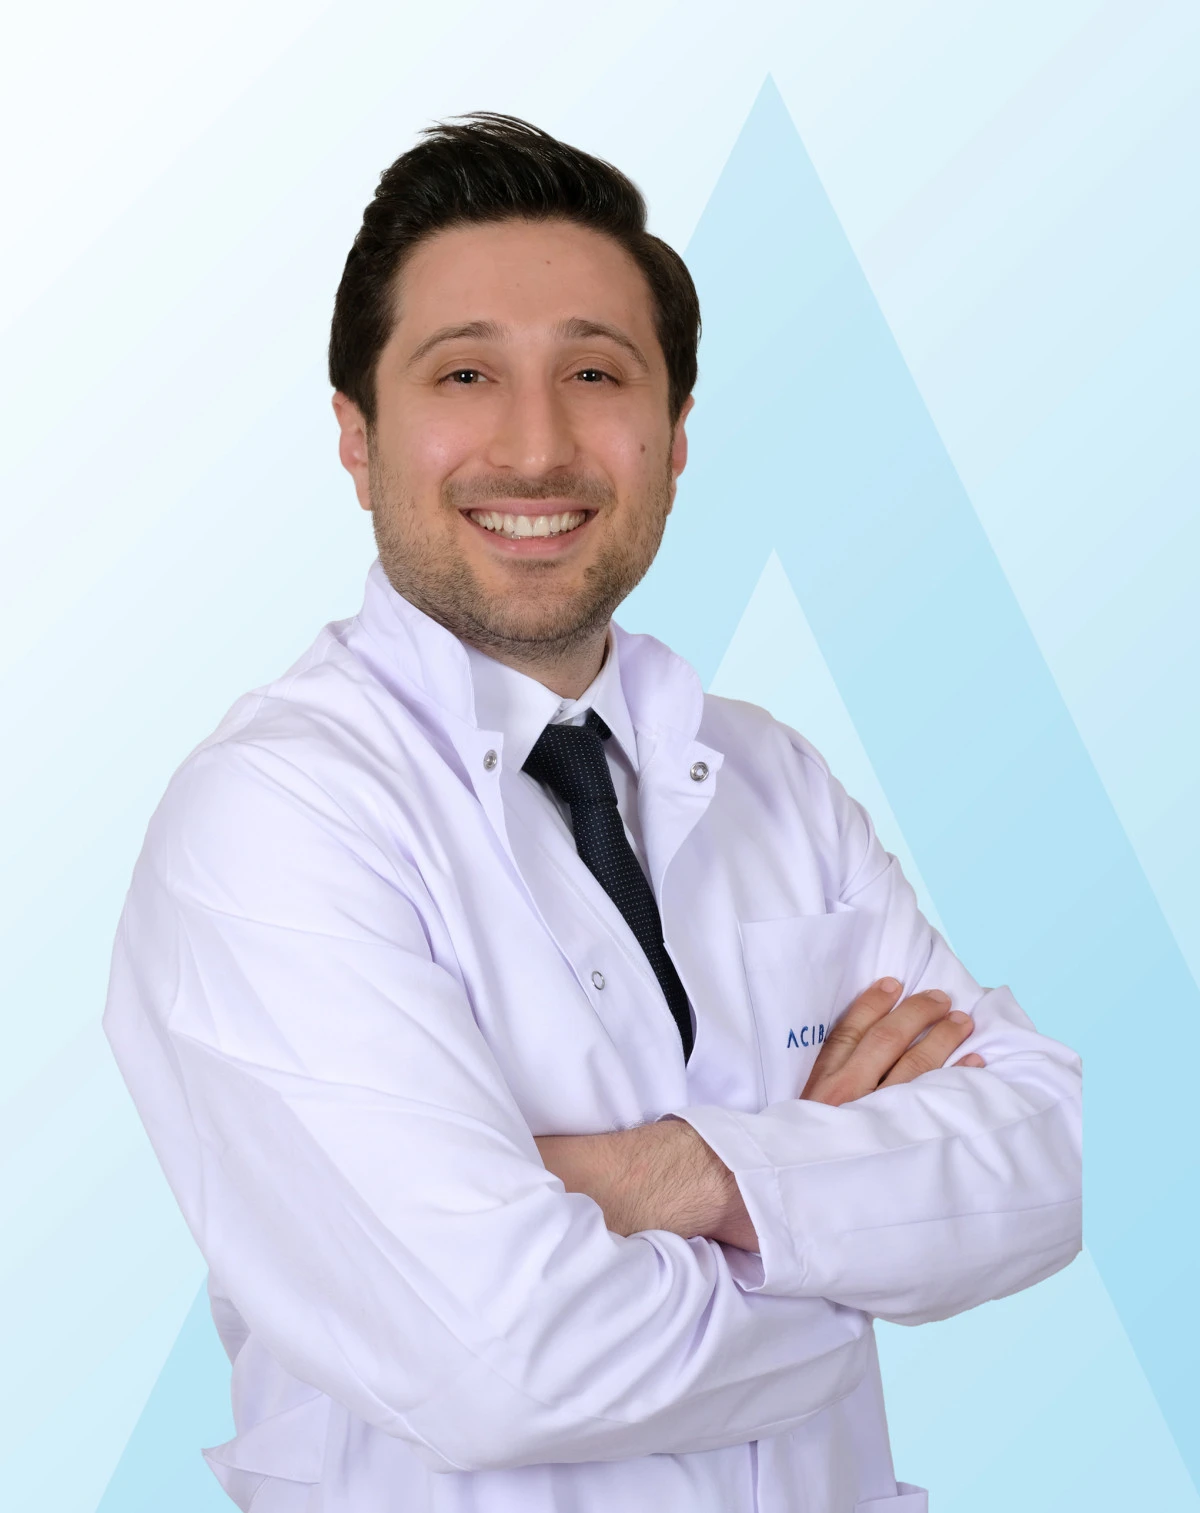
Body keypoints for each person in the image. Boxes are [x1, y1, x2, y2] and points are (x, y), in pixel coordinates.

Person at [103, 113, 1082, 1513]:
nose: (537, 444)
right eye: (465, 373)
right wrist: (847, 1240)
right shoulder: (273, 818)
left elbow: (1053, 1158)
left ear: (674, 438)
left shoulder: (775, 778)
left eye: (595, 372)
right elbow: (506, 1359)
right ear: (356, 436)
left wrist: (672, 1176)